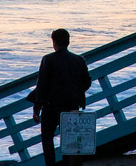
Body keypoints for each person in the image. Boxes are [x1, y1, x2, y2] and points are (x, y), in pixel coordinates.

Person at [32, 28, 92, 165]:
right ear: (68, 41)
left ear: (54, 42)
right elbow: (87, 82)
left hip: (51, 106)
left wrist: (36, 109)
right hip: (71, 105)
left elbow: (42, 86)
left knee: (47, 138)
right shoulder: (79, 60)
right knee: (68, 139)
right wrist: (76, 93)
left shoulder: (48, 59)